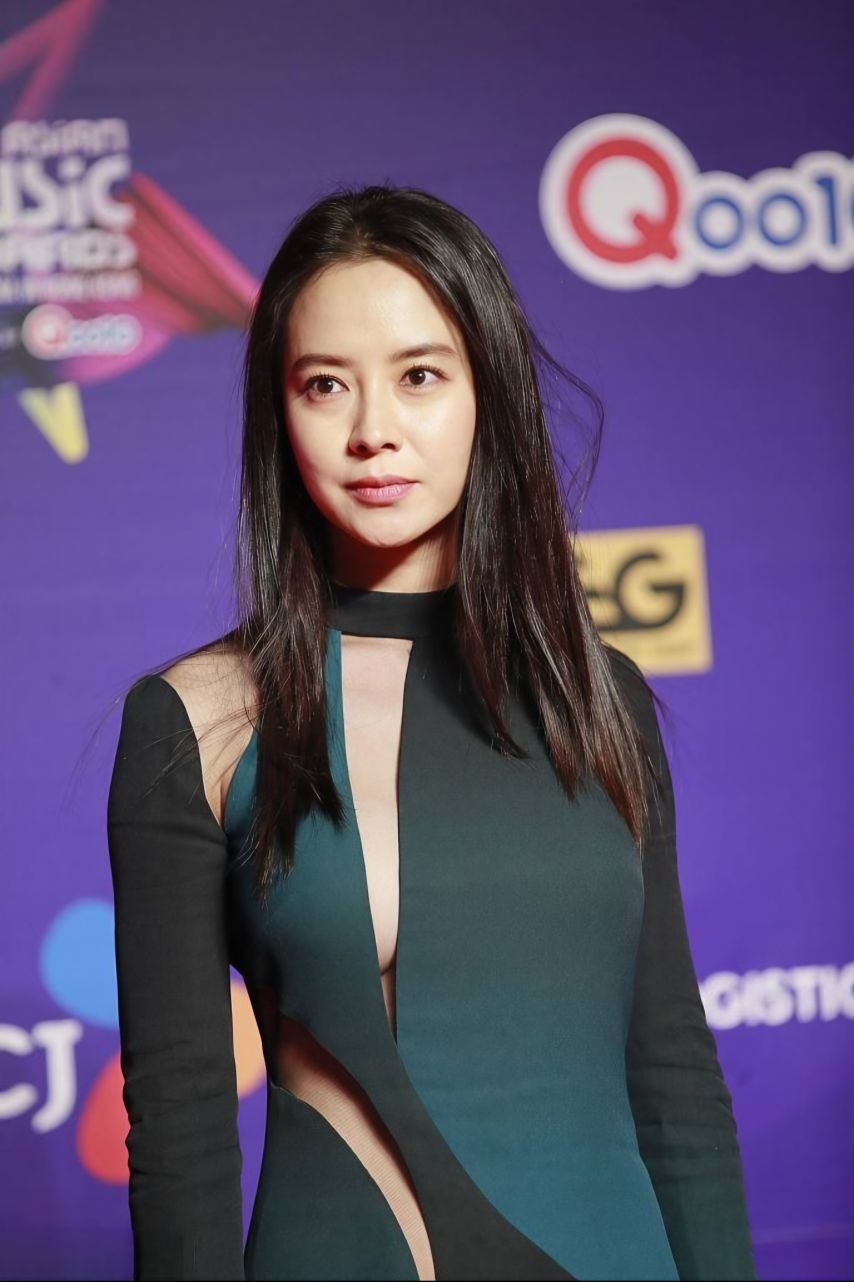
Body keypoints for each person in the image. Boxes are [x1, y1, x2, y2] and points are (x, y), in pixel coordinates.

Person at [106, 182, 757, 1282]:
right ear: (279, 415)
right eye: (325, 384)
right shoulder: (202, 717)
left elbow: (673, 1082)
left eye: (419, 375)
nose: (374, 431)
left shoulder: (600, 697)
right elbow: (179, 1133)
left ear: (484, 393)